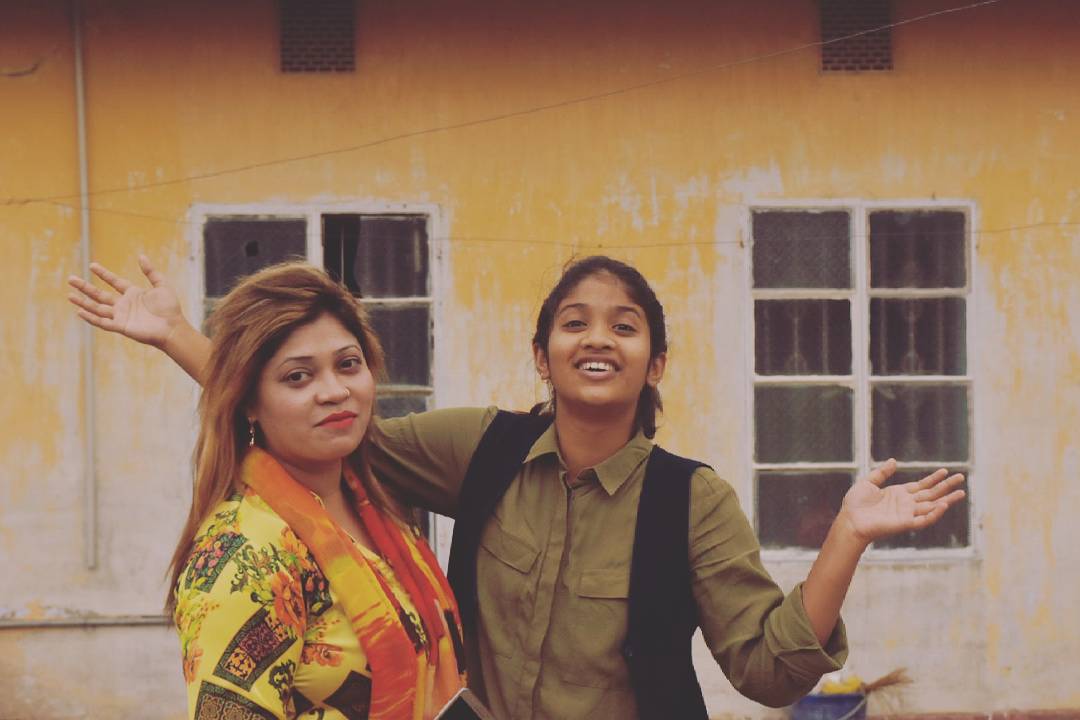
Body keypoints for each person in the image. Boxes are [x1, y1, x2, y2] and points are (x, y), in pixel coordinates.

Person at [69, 254, 965, 720]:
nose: (598, 338)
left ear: (656, 362)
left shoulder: (692, 502)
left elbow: (769, 672)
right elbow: (328, 428)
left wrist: (845, 538)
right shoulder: (481, 450)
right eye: (574, 322)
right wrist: (187, 340)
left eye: (625, 326)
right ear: (542, 354)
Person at [129, 262, 465, 720]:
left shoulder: (378, 511)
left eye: (348, 365)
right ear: (248, 401)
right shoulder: (245, 554)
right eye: (298, 377)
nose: (334, 391)